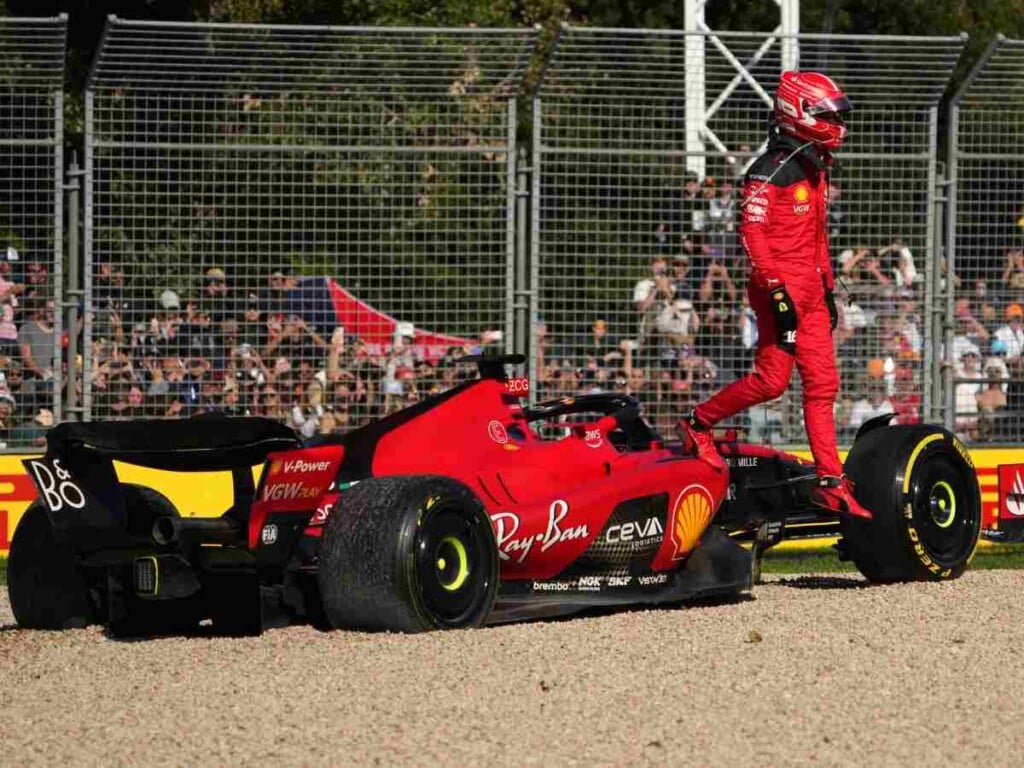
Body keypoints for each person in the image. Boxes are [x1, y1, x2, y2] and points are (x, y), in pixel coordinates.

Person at [678, 70, 872, 519]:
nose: (839, 125)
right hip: (779, 289)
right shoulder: (770, 168)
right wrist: (775, 289)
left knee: (824, 385)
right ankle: (696, 424)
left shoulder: (813, 163)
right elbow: (751, 231)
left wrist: (826, 290)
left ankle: (830, 480)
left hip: (811, 292)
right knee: (772, 382)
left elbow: (818, 239)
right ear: (798, 112)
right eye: (830, 115)